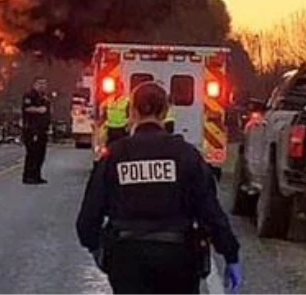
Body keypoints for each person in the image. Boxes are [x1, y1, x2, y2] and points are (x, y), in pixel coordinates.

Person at [76, 81, 242, 295]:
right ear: (165, 111)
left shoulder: (115, 156)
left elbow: (89, 217)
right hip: (178, 257)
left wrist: (98, 249)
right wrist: (230, 254)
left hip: (127, 257)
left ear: (132, 111)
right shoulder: (186, 155)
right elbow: (210, 211)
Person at [21, 76, 52, 184]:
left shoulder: (44, 97)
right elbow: (26, 108)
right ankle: (28, 176)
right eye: (40, 83)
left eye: (44, 83)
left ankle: (37, 176)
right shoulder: (29, 95)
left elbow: (47, 113)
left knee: (40, 154)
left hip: (42, 130)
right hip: (31, 130)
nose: (42, 86)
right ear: (34, 84)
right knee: (32, 154)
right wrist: (38, 110)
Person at [101, 79, 130, 148]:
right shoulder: (109, 100)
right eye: (115, 88)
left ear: (122, 89)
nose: (116, 90)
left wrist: (128, 127)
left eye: (118, 88)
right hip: (110, 129)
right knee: (108, 149)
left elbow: (130, 115)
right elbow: (104, 114)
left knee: (121, 149)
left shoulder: (127, 101)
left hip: (121, 129)